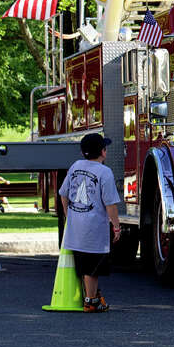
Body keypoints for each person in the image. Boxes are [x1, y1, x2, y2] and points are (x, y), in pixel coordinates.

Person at [59, 133, 121, 313]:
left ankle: (91, 295)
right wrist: (116, 226)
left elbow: (63, 193)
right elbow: (110, 203)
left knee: (83, 263)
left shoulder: (75, 166)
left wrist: (67, 214)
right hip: (94, 227)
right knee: (93, 265)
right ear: (103, 151)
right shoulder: (104, 172)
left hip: (75, 225)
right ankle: (91, 300)